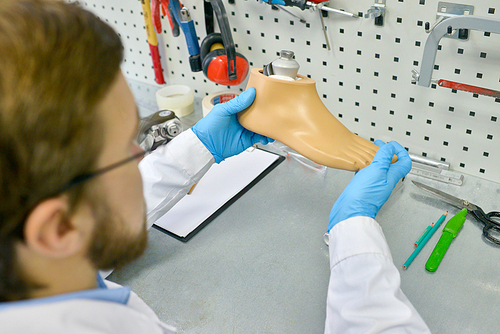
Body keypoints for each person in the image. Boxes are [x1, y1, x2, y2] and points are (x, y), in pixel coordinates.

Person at [0, 0, 430, 333]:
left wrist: (198, 145)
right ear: (57, 228)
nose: (143, 156)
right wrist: (355, 231)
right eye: (125, 151)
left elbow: (86, 229)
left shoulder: (28, 264)